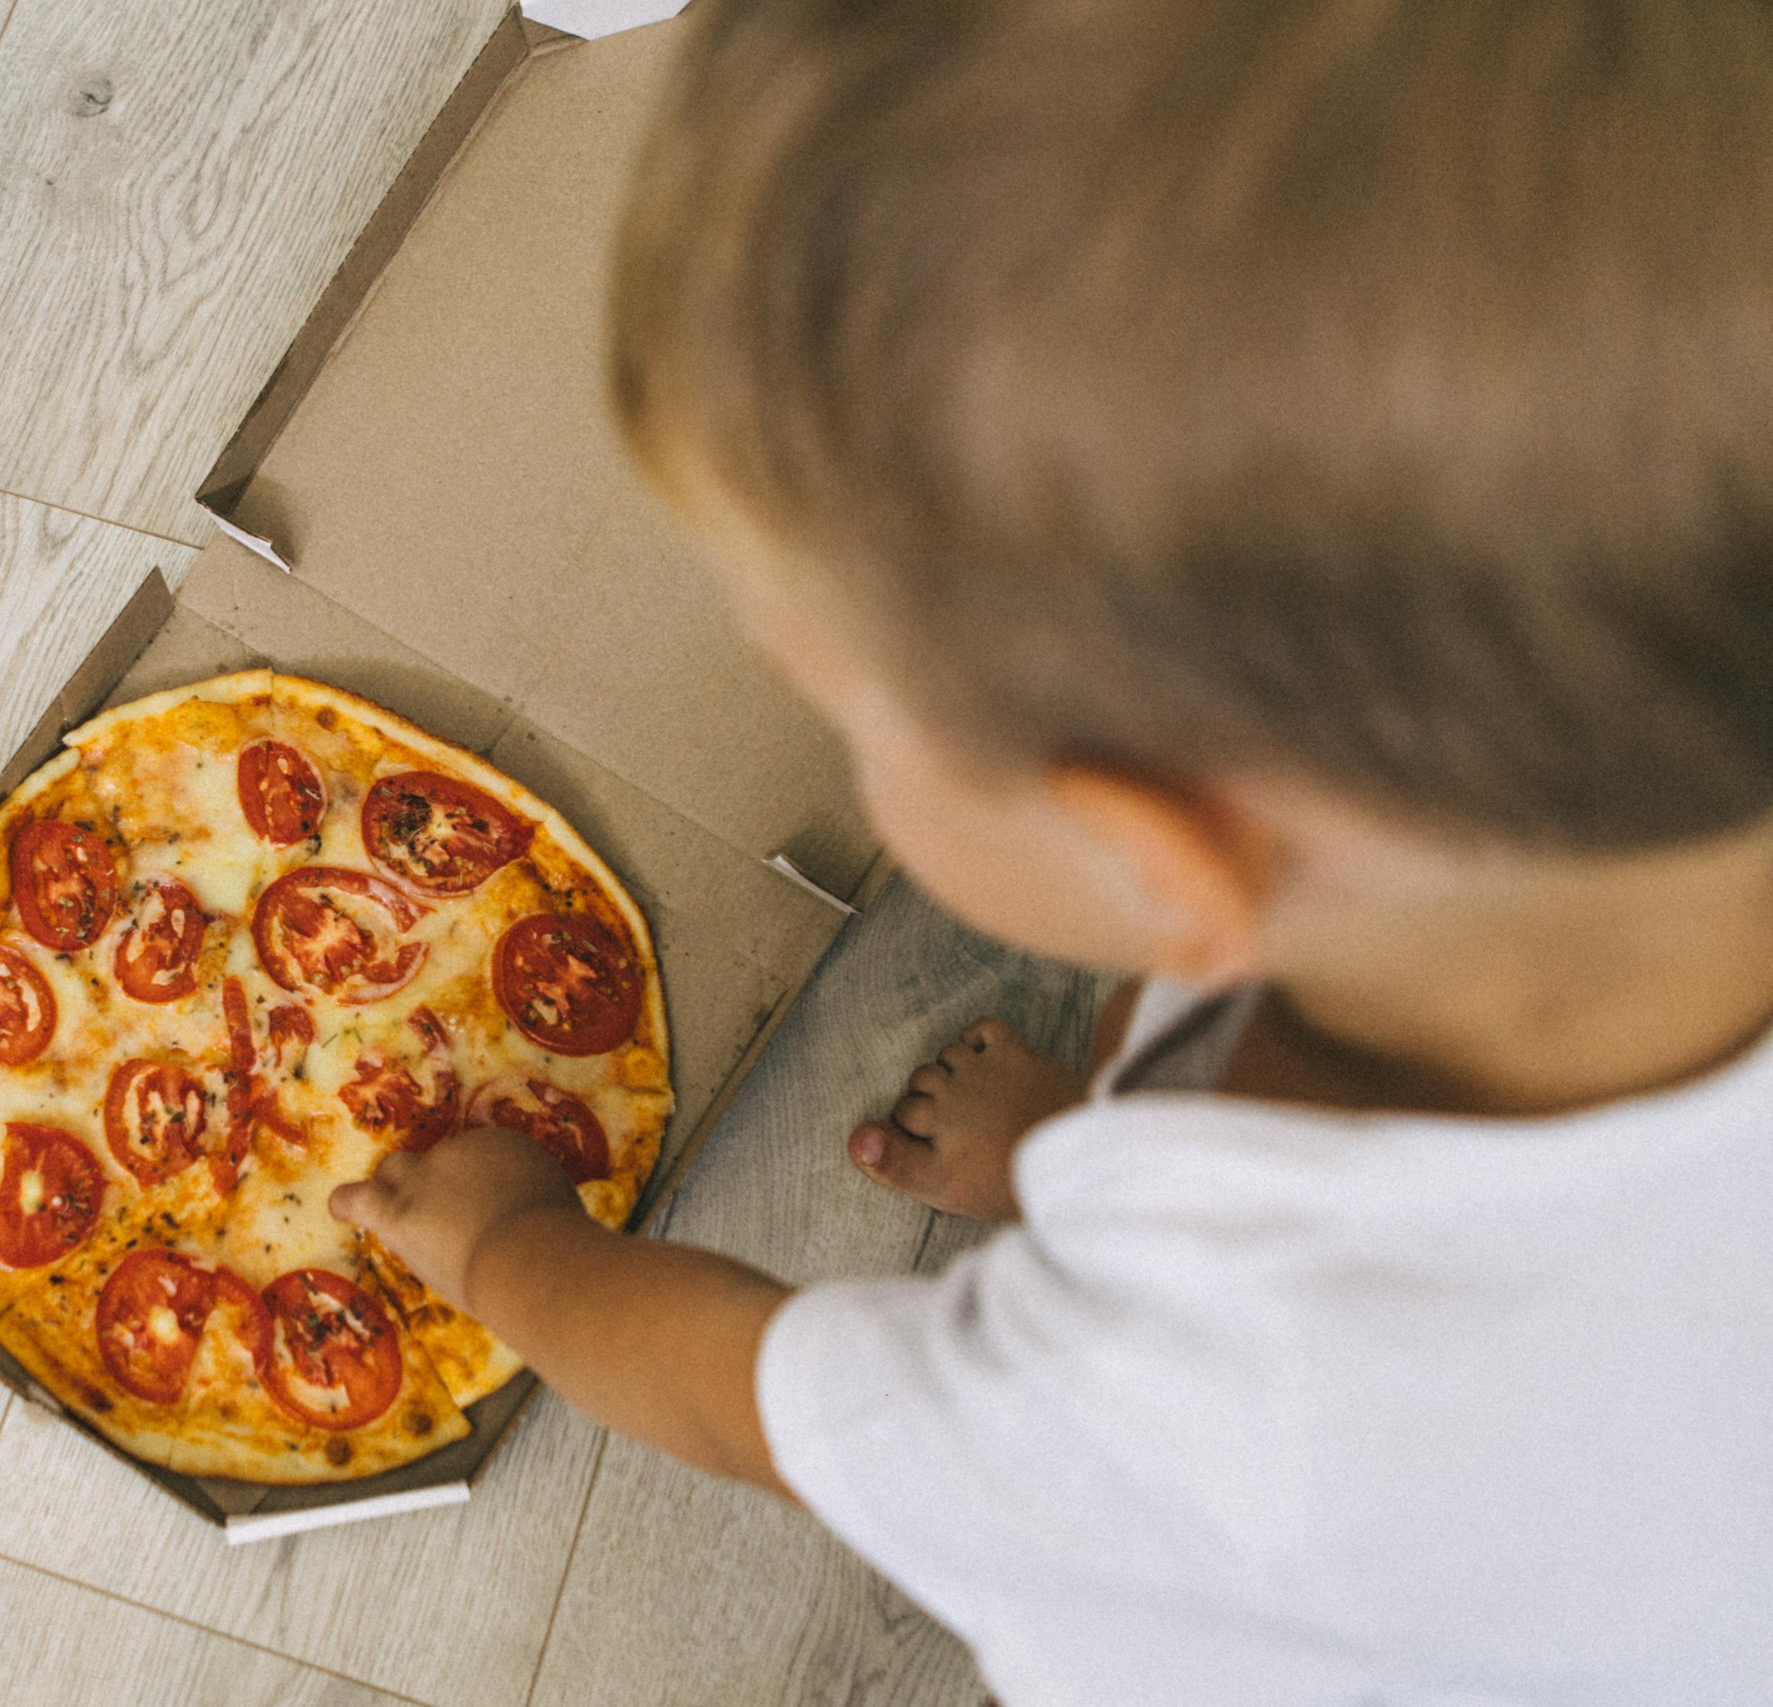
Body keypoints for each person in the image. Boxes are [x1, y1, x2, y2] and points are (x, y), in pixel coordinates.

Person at [327, 1, 1773, 1701]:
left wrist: (509, 1246)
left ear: (1154, 859)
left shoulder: (1172, 1425)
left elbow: (743, 1405)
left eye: (844, 702)